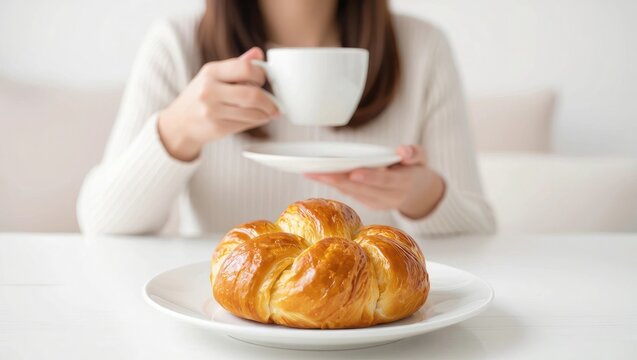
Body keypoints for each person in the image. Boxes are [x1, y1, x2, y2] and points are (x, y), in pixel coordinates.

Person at [77, 0, 496, 236]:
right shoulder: (178, 44)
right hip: (220, 311)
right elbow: (102, 223)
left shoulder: (422, 47)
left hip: (368, 329)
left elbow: (481, 234)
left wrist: (423, 195)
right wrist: (175, 132)